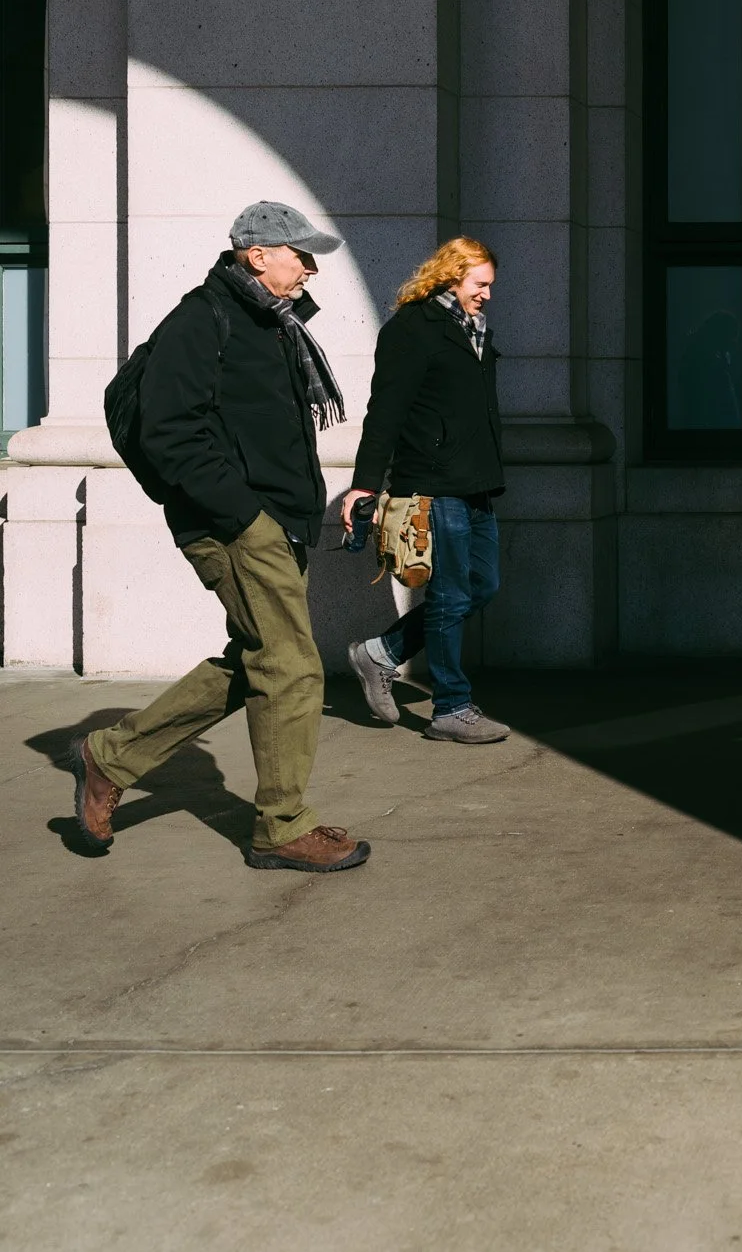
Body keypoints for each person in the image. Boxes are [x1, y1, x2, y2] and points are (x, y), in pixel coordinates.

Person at [68, 201, 370, 871]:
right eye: (302, 254)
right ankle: (282, 825)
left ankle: (109, 756)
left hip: (276, 522)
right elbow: (169, 431)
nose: (311, 269)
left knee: (258, 661)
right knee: (291, 665)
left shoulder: (273, 324)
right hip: (236, 524)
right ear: (256, 254)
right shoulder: (203, 318)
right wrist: (243, 514)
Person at [341, 238, 511, 744]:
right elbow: (385, 412)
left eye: (489, 286)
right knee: (449, 593)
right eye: (480, 284)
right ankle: (451, 708)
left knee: (482, 586)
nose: (486, 295)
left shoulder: (472, 328)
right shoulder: (412, 329)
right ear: (452, 275)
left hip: (476, 481)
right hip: (434, 482)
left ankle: (379, 654)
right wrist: (364, 486)